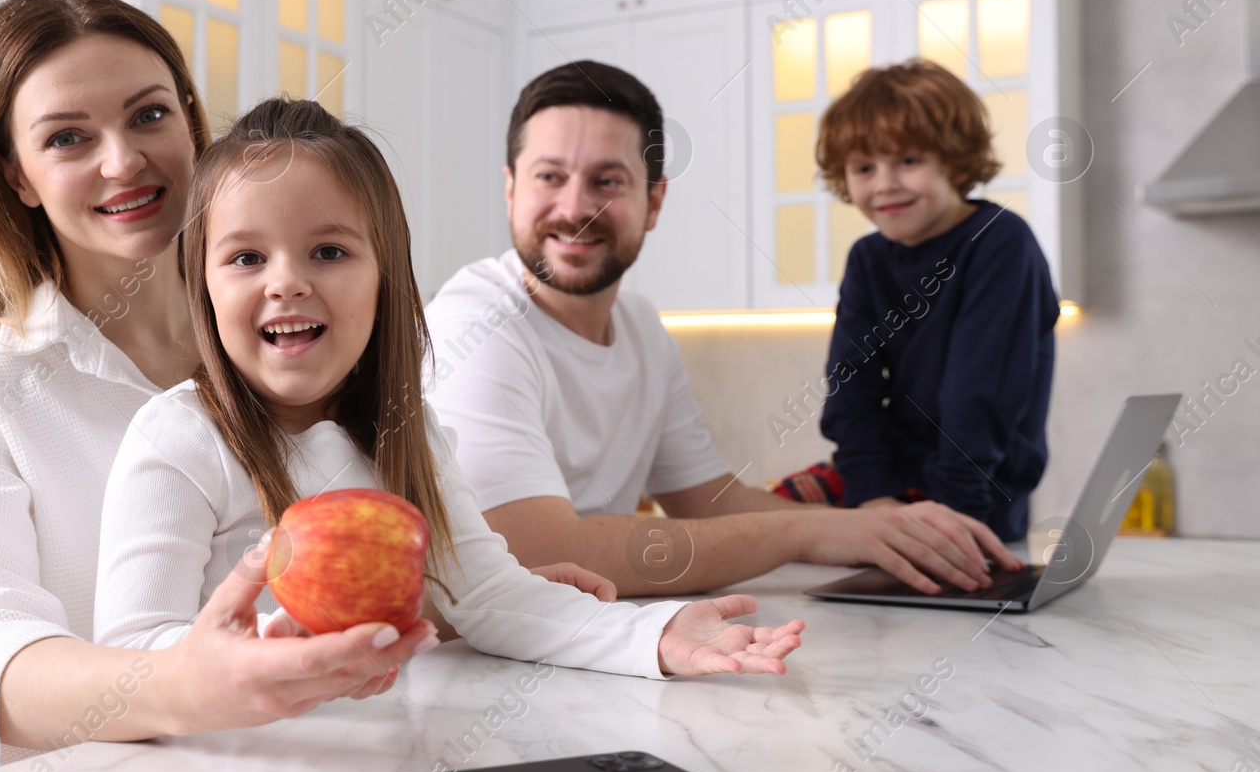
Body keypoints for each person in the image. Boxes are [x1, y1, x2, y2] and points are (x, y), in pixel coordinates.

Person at [0, 0, 618, 772]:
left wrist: (458, 602)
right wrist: (183, 686)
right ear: (14, 175)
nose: (124, 160)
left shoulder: (290, 347)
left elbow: (304, 600)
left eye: (150, 116)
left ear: (193, 125)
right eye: (67, 137)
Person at [91, 98, 805, 686]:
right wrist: (263, 657)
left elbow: (493, 593)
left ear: (385, 277)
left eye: (330, 252)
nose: (286, 281)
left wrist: (655, 633)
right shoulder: (178, 439)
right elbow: (129, 651)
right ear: (203, 284)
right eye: (246, 257)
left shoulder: (411, 432)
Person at [424, 60, 1024, 599]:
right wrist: (807, 531)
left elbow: (709, 501)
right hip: (463, 666)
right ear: (510, 190)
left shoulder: (639, 328)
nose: (578, 207)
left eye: (609, 181)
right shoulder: (475, 326)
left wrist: (867, 529)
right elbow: (535, 551)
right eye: (549, 177)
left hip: (579, 640)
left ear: (654, 201)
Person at [777, 59, 1058, 542]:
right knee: (764, 525)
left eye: (908, 161)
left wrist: (947, 520)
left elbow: (978, 399)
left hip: (973, 494)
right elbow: (851, 390)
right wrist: (874, 501)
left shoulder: (1000, 242)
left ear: (956, 159)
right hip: (885, 483)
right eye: (864, 167)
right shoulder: (867, 258)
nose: (884, 184)